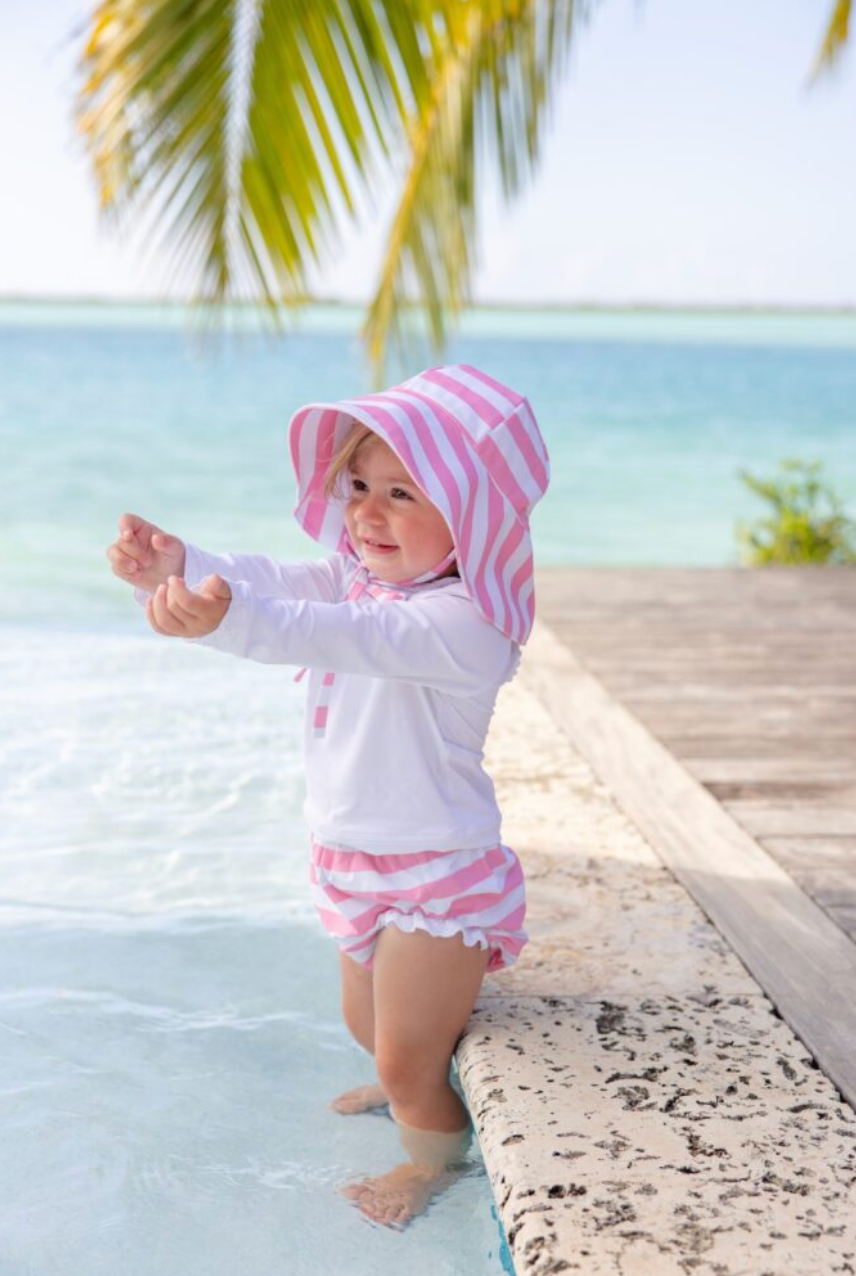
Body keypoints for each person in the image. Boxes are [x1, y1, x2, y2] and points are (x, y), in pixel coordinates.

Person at [106, 363, 550, 1231]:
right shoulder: (361, 578)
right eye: (356, 487)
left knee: (403, 1058)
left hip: (436, 871)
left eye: (401, 493)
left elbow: (334, 632)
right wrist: (178, 565)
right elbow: (274, 580)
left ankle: (432, 1162)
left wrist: (223, 623)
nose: (366, 512)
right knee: (365, 1026)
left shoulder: (468, 627)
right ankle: (410, 1073)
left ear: (474, 517)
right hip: (349, 859)